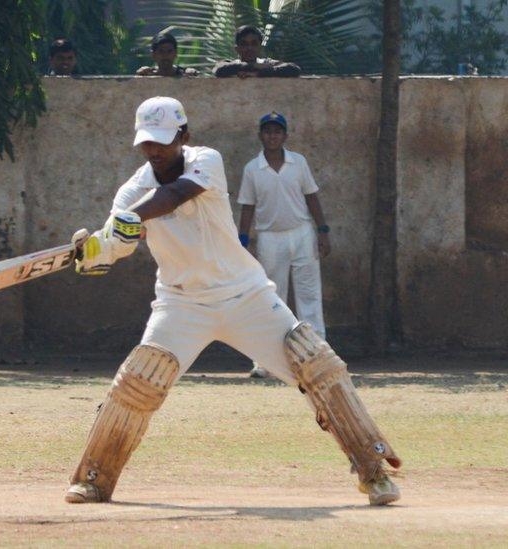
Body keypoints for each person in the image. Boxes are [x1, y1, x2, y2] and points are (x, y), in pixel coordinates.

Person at [64, 97, 401, 507]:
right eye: (147, 143)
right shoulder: (132, 191)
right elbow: (117, 243)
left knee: (316, 364)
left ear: (183, 136)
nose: (154, 151)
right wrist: (97, 250)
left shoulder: (206, 160)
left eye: (163, 142)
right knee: (138, 380)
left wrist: (130, 220)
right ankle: (94, 478)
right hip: (181, 304)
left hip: (246, 295)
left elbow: (175, 195)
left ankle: (373, 469)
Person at [238, 112, 330, 379]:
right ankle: (266, 361)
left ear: (285, 136)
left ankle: (317, 355)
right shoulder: (252, 169)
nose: (273, 136)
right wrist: (243, 240)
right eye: (267, 132)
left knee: (309, 296)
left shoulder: (298, 163)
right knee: (272, 300)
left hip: (302, 233)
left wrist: (322, 230)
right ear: (261, 136)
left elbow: (311, 196)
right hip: (269, 238)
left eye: (277, 132)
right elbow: (247, 206)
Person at [213, 25, 301, 78]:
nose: (249, 48)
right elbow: (218, 70)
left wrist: (258, 73)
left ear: (260, 47)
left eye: (254, 44)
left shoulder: (267, 63)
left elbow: (294, 69)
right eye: (244, 44)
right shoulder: (229, 65)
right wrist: (255, 66)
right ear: (237, 49)